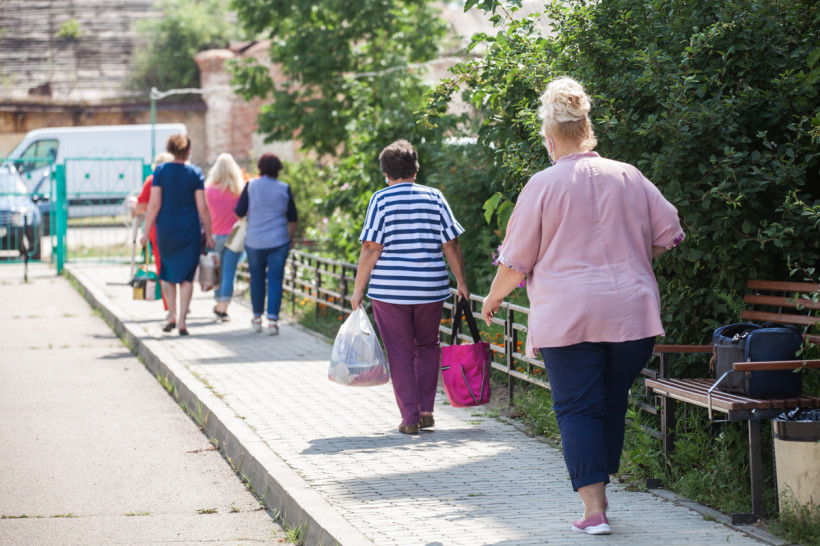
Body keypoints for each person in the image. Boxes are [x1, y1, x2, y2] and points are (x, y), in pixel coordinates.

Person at [480, 77, 684, 535]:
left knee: (578, 409)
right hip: (633, 316)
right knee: (609, 402)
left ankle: (595, 511)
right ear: (587, 129)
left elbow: (515, 261)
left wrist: (493, 298)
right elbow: (670, 231)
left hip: (568, 317)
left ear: (550, 140)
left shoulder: (542, 185)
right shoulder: (628, 175)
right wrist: (634, 258)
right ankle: (600, 491)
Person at [351, 139, 470, 435]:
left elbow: (371, 247)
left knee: (400, 352)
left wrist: (357, 290)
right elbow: (451, 243)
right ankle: (426, 411)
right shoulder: (434, 197)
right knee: (428, 346)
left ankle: (410, 418)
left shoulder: (381, 199)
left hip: (390, 292)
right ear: (416, 170)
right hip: (430, 288)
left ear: (385, 173)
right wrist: (461, 282)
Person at [141, 134, 215, 336]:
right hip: (190, 231)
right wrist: (209, 234)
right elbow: (202, 207)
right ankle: (182, 321)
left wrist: (146, 232)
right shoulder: (194, 173)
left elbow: (154, 205)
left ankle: (171, 315)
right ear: (188, 150)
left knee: (167, 273)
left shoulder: (161, 172)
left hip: (166, 230)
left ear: (170, 149)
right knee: (187, 278)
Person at [235, 153, 297, 335]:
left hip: (254, 240)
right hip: (279, 240)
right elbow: (293, 218)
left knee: (256, 279)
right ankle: (272, 321)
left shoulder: (250, 186)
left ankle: (256, 318)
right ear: (278, 169)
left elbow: (239, 212)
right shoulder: (284, 188)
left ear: (260, 168)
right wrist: (290, 238)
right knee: (276, 279)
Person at [205, 153, 245, 322]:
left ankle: (218, 302)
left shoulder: (208, 191)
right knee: (229, 272)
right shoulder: (239, 191)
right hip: (235, 237)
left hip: (215, 237)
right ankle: (223, 307)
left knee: (216, 270)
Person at [133, 152, 174, 313]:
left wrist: (134, 210)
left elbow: (141, 206)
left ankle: (170, 306)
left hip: (158, 229)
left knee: (163, 268)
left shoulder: (152, 180)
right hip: (179, 228)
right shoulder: (178, 180)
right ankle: (180, 303)